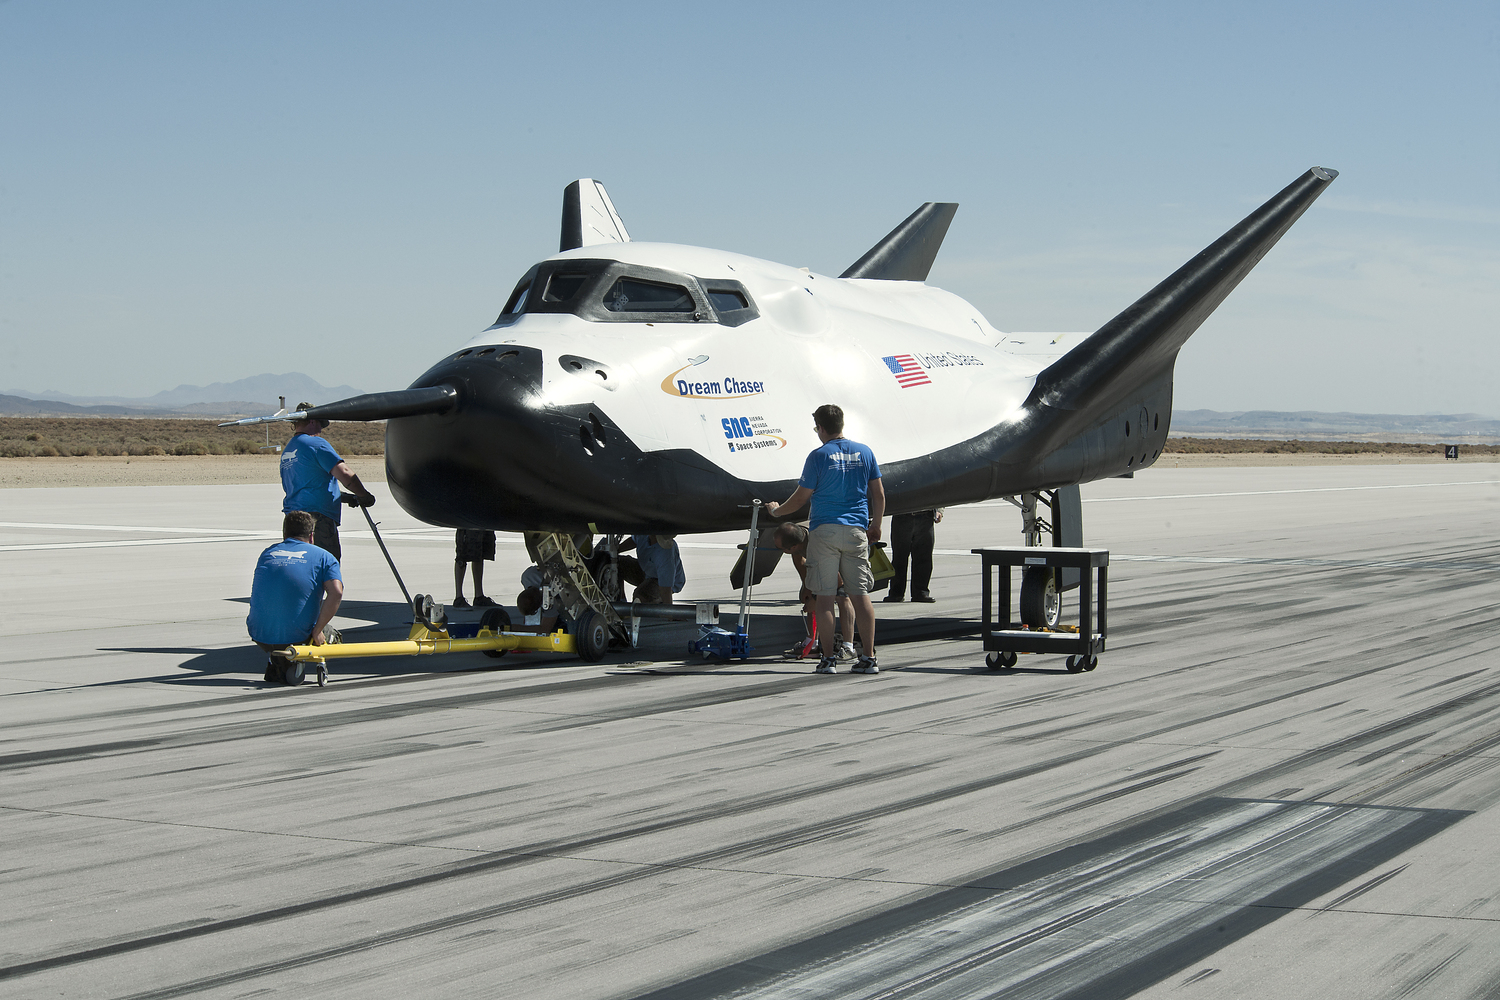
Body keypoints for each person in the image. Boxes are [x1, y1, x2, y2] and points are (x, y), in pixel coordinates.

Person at [767, 404, 885, 675]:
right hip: (857, 530)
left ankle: (829, 660)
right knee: (860, 596)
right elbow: (878, 494)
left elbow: (801, 496)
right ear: (842, 424)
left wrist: (776, 511)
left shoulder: (818, 456)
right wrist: (876, 525)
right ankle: (868, 657)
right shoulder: (865, 452)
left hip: (825, 532)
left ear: (820, 428)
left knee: (824, 598)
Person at [247, 511, 344, 683]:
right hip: (296, 636)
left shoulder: (267, 553)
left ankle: (275, 659)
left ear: (285, 534)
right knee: (332, 636)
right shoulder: (323, 557)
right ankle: (299, 659)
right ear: (312, 536)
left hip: (259, 634)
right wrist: (318, 629)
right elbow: (336, 592)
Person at [280, 403, 376, 560]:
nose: (320, 430)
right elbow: (345, 474)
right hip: (316, 519)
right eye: (320, 424)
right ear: (312, 421)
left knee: (300, 566)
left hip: (292, 520)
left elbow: (307, 485)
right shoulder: (316, 444)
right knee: (325, 568)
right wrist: (364, 495)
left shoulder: (289, 450)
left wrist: (345, 497)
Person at [772, 522, 856, 660]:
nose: (778, 550)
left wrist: (815, 598)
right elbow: (798, 558)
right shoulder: (796, 537)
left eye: (780, 548)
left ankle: (848, 647)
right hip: (823, 561)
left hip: (844, 559)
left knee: (842, 596)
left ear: (792, 546)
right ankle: (812, 644)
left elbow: (838, 580)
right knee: (812, 594)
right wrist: (807, 586)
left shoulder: (817, 545)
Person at [885, 509, 944, 603]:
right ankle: (896, 593)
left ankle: (921, 592)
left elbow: (939, 494)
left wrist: (939, 510)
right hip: (902, 515)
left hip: (926, 516)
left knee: (924, 557)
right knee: (899, 557)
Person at [619, 533, 685, 605]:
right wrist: (616, 549)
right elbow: (634, 540)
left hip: (663, 580)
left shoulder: (665, 554)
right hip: (647, 571)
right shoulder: (644, 534)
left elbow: (665, 588)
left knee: (642, 594)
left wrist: (668, 612)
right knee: (617, 563)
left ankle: (653, 602)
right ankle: (620, 601)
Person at [453, 529, 497, 607]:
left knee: (480, 554)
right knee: (462, 555)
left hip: (482, 520)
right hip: (467, 522)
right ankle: (458, 597)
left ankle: (479, 596)